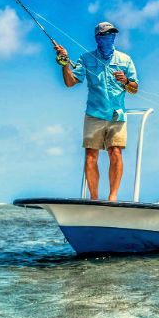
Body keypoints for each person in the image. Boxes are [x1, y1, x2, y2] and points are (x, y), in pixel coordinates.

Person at [53, 21, 138, 201]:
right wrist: (64, 63)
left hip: (117, 115)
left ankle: (112, 197)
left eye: (112, 34)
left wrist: (125, 82)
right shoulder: (86, 59)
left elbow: (135, 88)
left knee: (115, 152)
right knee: (91, 156)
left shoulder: (125, 60)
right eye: (105, 35)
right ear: (98, 38)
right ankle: (94, 198)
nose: (109, 37)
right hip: (94, 114)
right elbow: (70, 82)